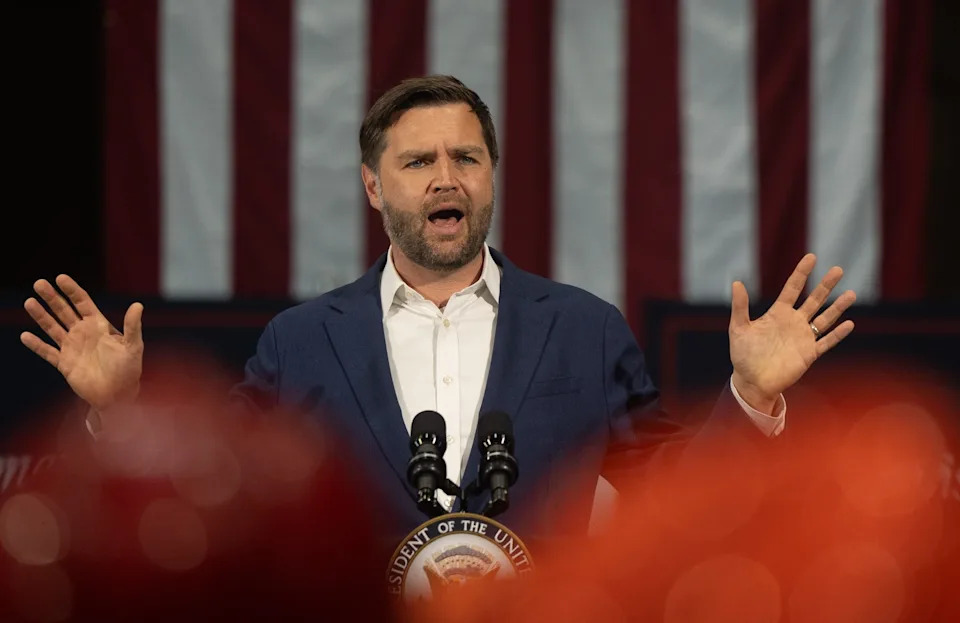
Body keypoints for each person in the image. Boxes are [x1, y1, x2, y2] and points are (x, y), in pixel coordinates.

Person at [19, 75, 856, 548]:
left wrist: (751, 398)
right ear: (375, 186)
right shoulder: (302, 342)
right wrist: (121, 413)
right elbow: (220, 491)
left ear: (492, 176)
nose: (445, 177)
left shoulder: (586, 329)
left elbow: (680, 495)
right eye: (418, 161)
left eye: (466, 157)